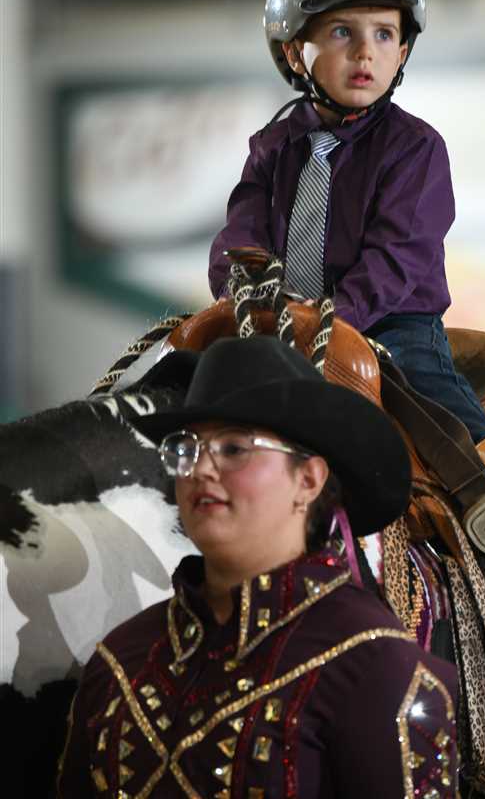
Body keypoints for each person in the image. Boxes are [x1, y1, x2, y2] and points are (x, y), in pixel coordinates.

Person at [56, 335, 458, 798]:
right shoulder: (120, 661)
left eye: (233, 448)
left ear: (308, 479)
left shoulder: (375, 667)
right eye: (187, 450)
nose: (200, 469)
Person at [208, 0, 485, 467]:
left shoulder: (415, 148)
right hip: (285, 327)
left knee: (433, 403)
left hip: (390, 324)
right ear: (295, 52)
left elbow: (397, 256)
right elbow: (240, 235)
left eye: (385, 35)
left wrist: (329, 321)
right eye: (342, 31)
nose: (366, 51)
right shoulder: (271, 148)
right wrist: (241, 294)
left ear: (403, 52)